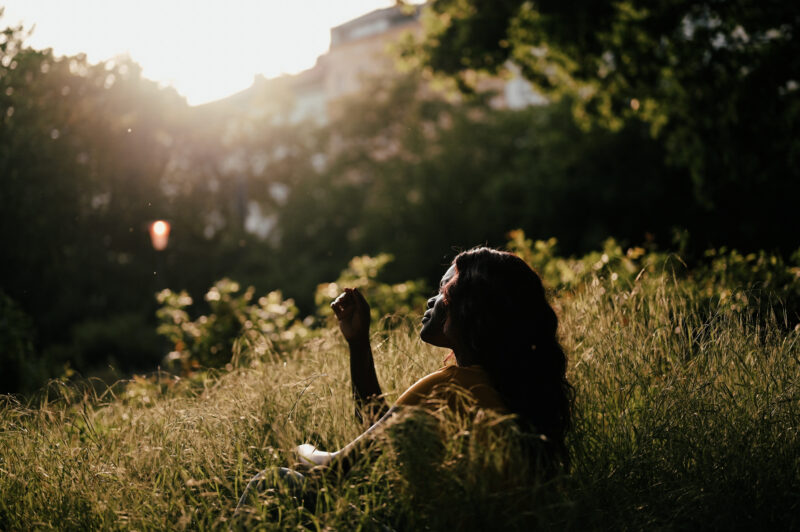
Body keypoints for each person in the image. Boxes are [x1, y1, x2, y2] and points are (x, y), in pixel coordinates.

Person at [235, 247, 572, 512]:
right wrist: (359, 343)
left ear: (470, 307)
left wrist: (300, 449)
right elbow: (382, 434)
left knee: (273, 482)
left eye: (443, 289)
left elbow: (337, 469)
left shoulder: (452, 386)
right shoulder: (509, 389)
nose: (431, 299)